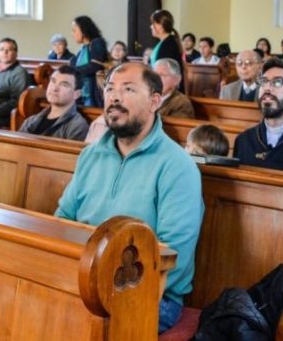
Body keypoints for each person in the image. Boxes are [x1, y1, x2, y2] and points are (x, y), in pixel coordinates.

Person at [54, 62, 203, 333]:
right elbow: (63, 220)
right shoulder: (90, 155)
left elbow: (174, 255)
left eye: (128, 89)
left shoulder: (177, 166)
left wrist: (101, 286)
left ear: (155, 101)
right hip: (83, 280)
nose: (115, 97)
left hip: (150, 296)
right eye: (110, 89)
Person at [18, 65, 89, 141]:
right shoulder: (31, 121)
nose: (55, 88)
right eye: (53, 81)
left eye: (64, 85)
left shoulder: (77, 126)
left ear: (76, 94)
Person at [71, 15, 109, 107]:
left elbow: (95, 66)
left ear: (83, 30)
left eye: (74, 30)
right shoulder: (83, 48)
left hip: (93, 93)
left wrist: (75, 69)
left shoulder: (97, 43)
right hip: (82, 92)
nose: (72, 34)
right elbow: (74, 64)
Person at [150, 10, 184, 81]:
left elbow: (166, 71)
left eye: (153, 24)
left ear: (161, 26)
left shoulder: (169, 44)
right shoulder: (162, 42)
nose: (151, 27)